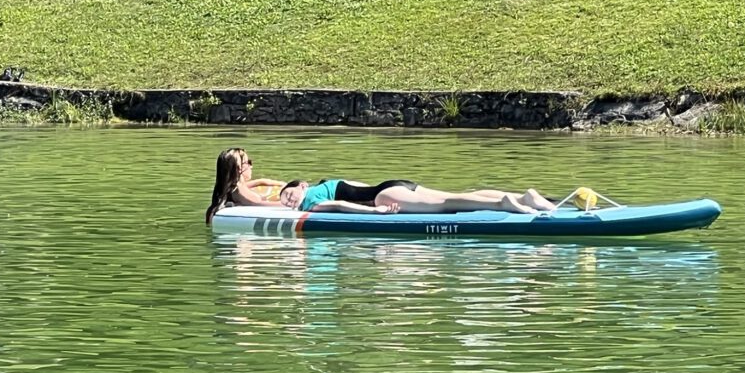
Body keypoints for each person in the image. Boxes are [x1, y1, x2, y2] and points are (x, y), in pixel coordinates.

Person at [278, 178, 557, 215]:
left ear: (302, 185)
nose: (289, 201)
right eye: (285, 202)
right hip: (393, 185)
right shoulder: (327, 183)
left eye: (289, 194)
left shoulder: (311, 202)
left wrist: (375, 211)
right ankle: (525, 197)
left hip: (382, 197)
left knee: (447, 204)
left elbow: (339, 205)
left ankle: (501, 204)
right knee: (457, 194)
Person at [205, 148, 286, 224]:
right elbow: (257, 204)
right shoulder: (239, 191)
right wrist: (287, 204)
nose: (251, 166)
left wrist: (267, 182)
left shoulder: (230, 187)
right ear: (238, 168)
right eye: (248, 162)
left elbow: (258, 182)